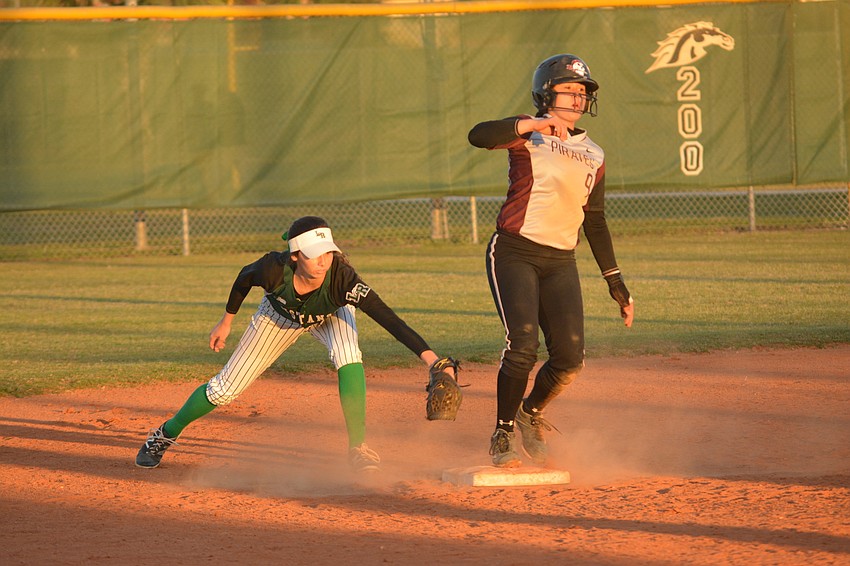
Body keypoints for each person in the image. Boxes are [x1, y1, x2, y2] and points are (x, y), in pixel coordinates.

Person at [135, 215, 455, 473]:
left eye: (328, 252)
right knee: (224, 389)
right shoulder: (273, 269)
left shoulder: (344, 280)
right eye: (315, 254)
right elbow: (244, 279)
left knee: (348, 355)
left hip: (330, 313)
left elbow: (389, 319)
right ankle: (165, 434)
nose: (323, 260)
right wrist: (226, 321)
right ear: (296, 255)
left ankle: (358, 447)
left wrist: (433, 361)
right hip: (278, 317)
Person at [467, 53, 634, 468]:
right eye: (570, 90)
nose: (578, 99)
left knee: (570, 357)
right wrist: (533, 124)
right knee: (522, 343)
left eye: (583, 93)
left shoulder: (594, 152)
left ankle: (530, 413)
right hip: (515, 250)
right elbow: (477, 135)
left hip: (561, 260)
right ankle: (502, 433)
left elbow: (593, 219)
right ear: (546, 93)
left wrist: (615, 281)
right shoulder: (528, 133)